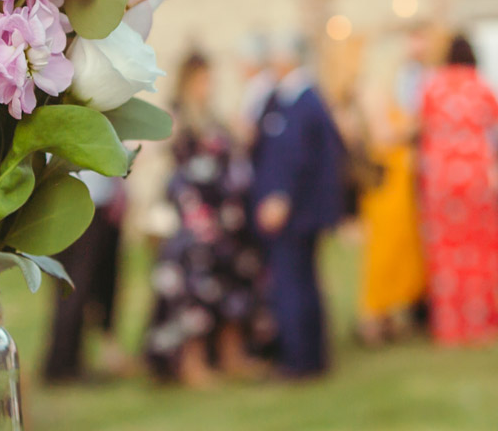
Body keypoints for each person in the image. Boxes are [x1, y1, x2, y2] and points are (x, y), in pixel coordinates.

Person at [144, 54, 269, 385]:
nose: (207, 86)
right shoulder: (178, 118)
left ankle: (231, 355)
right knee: (193, 295)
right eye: (202, 80)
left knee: (233, 287)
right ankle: (192, 363)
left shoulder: (214, 118)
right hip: (194, 224)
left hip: (226, 220)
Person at [251, 33, 351, 379]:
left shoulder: (302, 102)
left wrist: (281, 196)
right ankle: (309, 356)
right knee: (302, 281)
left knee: (294, 283)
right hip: (301, 211)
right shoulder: (293, 100)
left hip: (296, 213)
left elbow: (295, 156)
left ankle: (299, 359)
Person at [418, 34, 498, 345]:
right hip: (478, 176)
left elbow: (415, 125)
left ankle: (449, 327)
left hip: (441, 177)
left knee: (445, 253)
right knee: (482, 252)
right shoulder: (482, 85)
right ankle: (483, 323)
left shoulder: (431, 85)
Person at [354, 80, 427, 345]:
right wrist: (414, 127)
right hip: (385, 189)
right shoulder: (372, 93)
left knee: (400, 251)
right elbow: (381, 137)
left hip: (399, 190)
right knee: (383, 254)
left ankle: (387, 316)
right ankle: (371, 318)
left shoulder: (389, 94)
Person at [42, 174, 126, 383]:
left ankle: (69, 361)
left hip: (72, 200)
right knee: (75, 284)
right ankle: (61, 364)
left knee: (75, 284)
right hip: (84, 202)